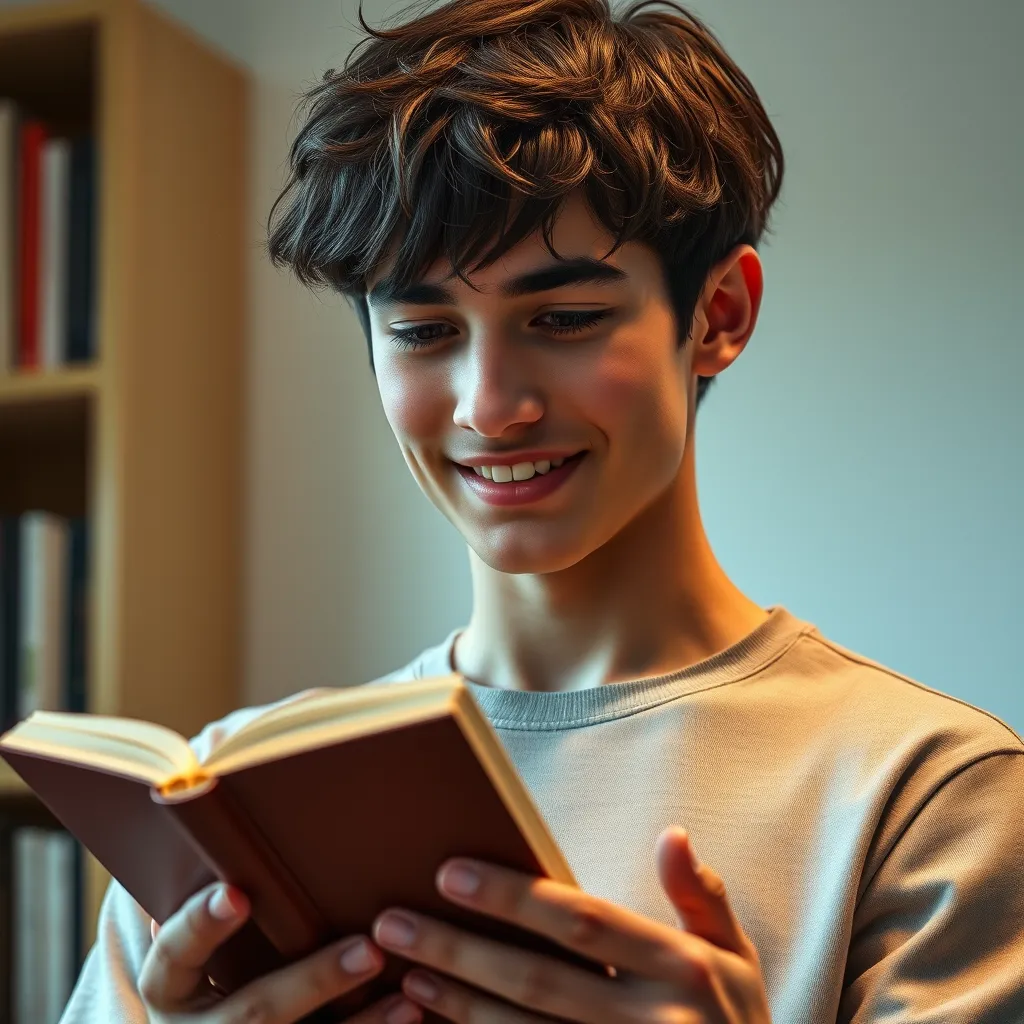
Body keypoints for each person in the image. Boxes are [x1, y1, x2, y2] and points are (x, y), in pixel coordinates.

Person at [60, 0, 1024, 1020]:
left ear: (719, 316)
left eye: (563, 318)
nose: (489, 406)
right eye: (424, 330)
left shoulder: (928, 799)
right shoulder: (232, 816)